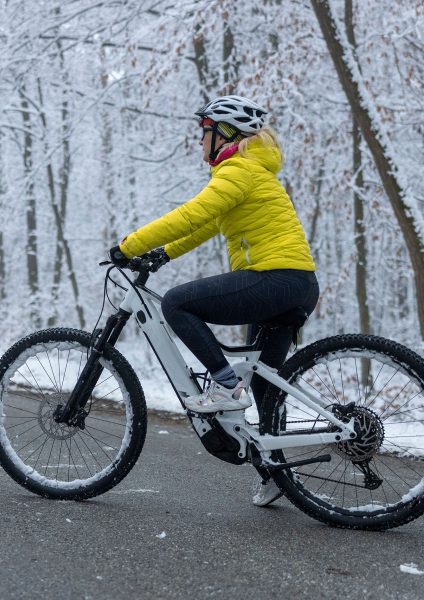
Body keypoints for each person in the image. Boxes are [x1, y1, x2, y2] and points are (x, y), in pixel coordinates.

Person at [109, 95, 319, 506]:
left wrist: (129, 245)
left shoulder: (238, 169)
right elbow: (206, 225)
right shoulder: (249, 171)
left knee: (177, 303)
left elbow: (191, 213)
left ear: (224, 133)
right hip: (294, 282)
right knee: (265, 383)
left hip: (274, 278)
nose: (198, 141)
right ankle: (276, 472)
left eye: (203, 131)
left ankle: (224, 386)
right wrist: (163, 253)